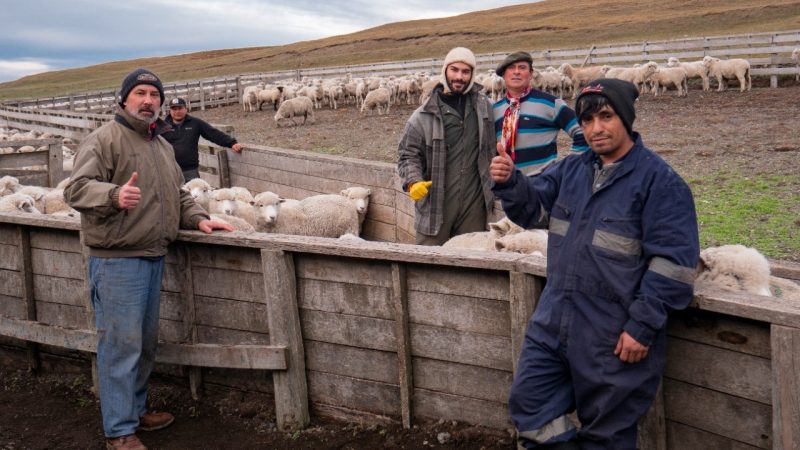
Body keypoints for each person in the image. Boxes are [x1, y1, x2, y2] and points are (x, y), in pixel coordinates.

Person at [490, 79, 699, 449]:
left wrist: (642, 326)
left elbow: (673, 265)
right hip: (553, 322)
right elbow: (534, 209)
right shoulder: (571, 170)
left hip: (613, 336)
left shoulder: (660, 183)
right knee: (530, 406)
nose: (596, 129)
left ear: (626, 118)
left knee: (607, 434)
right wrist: (511, 182)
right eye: (587, 120)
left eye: (606, 116)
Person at [64, 68, 234, 450]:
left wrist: (199, 220)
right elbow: (76, 189)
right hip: (117, 260)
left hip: (153, 254)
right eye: (140, 93)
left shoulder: (161, 145)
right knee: (121, 345)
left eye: (154, 95)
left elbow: (178, 193)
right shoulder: (104, 140)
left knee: (143, 343)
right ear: (124, 99)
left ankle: (135, 411)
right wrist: (112, 196)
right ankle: (120, 431)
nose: (148, 101)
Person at [397, 47, 497, 245]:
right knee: (429, 265)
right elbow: (407, 154)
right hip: (435, 206)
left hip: (473, 206)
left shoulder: (486, 107)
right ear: (445, 70)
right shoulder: (423, 114)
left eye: (466, 71)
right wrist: (413, 181)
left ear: (472, 75)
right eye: (454, 70)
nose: (459, 76)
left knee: (471, 262)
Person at [494, 51, 589, 176]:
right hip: (507, 186)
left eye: (522, 68)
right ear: (503, 75)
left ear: (531, 74)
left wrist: (569, 167)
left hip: (543, 185)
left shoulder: (551, 104)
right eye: (511, 68)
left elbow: (584, 131)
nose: (516, 72)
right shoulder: (495, 110)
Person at [162, 97, 243, 181]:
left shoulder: (195, 123)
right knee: (172, 194)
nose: (177, 112)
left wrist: (231, 143)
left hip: (190, 170)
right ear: (170, 111)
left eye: (180, 108)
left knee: (194, 193)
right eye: (174, 109)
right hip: (170, 170)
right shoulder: (162, 127)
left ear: (186, 109)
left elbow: (213, 133)